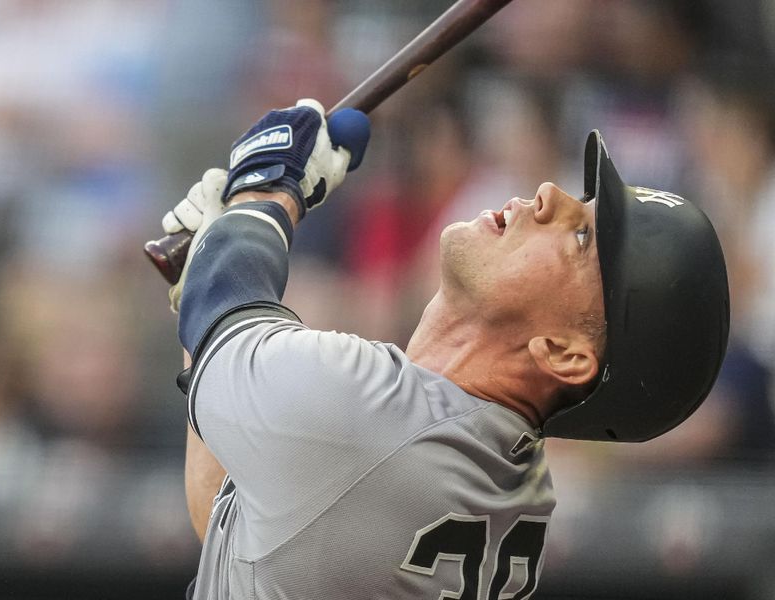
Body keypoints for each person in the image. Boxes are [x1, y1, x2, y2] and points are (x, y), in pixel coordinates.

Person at [160, 99, 729, 599]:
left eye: (582, 237)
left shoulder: (378, 417)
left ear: (563, 353)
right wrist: (212, 259)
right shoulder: (511, 478)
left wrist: (266, 192)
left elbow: (225, 306)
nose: (549, 196)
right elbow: (233, 521)